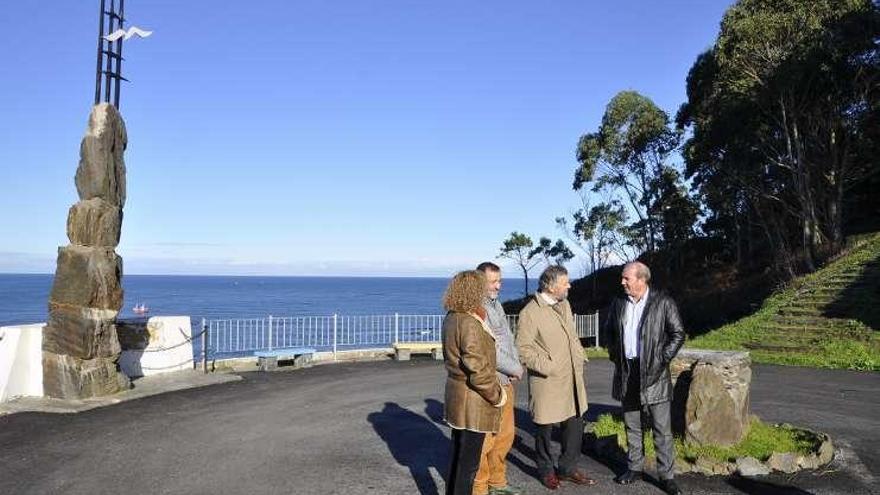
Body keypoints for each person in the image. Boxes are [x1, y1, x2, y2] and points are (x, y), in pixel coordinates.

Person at [604, 261, 685, 495]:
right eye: (622, 278)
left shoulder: (663, 302)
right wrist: (615, 356)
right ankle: (634, 467)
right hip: (627, 371)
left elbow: (678, 333)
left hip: (655, 373)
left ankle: (667, 476)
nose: (622, 282)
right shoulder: (619, 303)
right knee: (632, 424)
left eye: (626, 278)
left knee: (661, 428)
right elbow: (609, 331)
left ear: (642, 279)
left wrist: (661, 359)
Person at [515, 265, 596, 490]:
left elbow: (572, 334)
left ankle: (568, 469)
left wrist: (579, 355)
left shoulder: (565, 304)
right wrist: (549, 367)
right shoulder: (530, 313)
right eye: (565, 282)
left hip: (572, 378)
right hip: (548, 380)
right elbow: (522, 349)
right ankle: (546, 470)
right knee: (544, 429)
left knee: (574, 425)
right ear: (550, 286)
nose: (569, 285)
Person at [442, 270, 508, 495]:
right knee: (468, 466)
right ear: (473, 290)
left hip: (457, 398)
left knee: (457, 461)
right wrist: (498, 395)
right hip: (472, 403)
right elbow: (477, 368)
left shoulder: (452, 316)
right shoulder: (469, 321)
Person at [473, 262, 525, 495]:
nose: (498, 286)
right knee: (486, 439)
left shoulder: (496, 305)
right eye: (493, 281)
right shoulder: (477, 308)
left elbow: (507, 339)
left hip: (505, 379)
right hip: (491, 382)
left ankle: (497, 482)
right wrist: (515, 368)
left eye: (499, 281)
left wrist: (514, 367)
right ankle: (481, 487)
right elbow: (489, 349)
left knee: (505, 436)